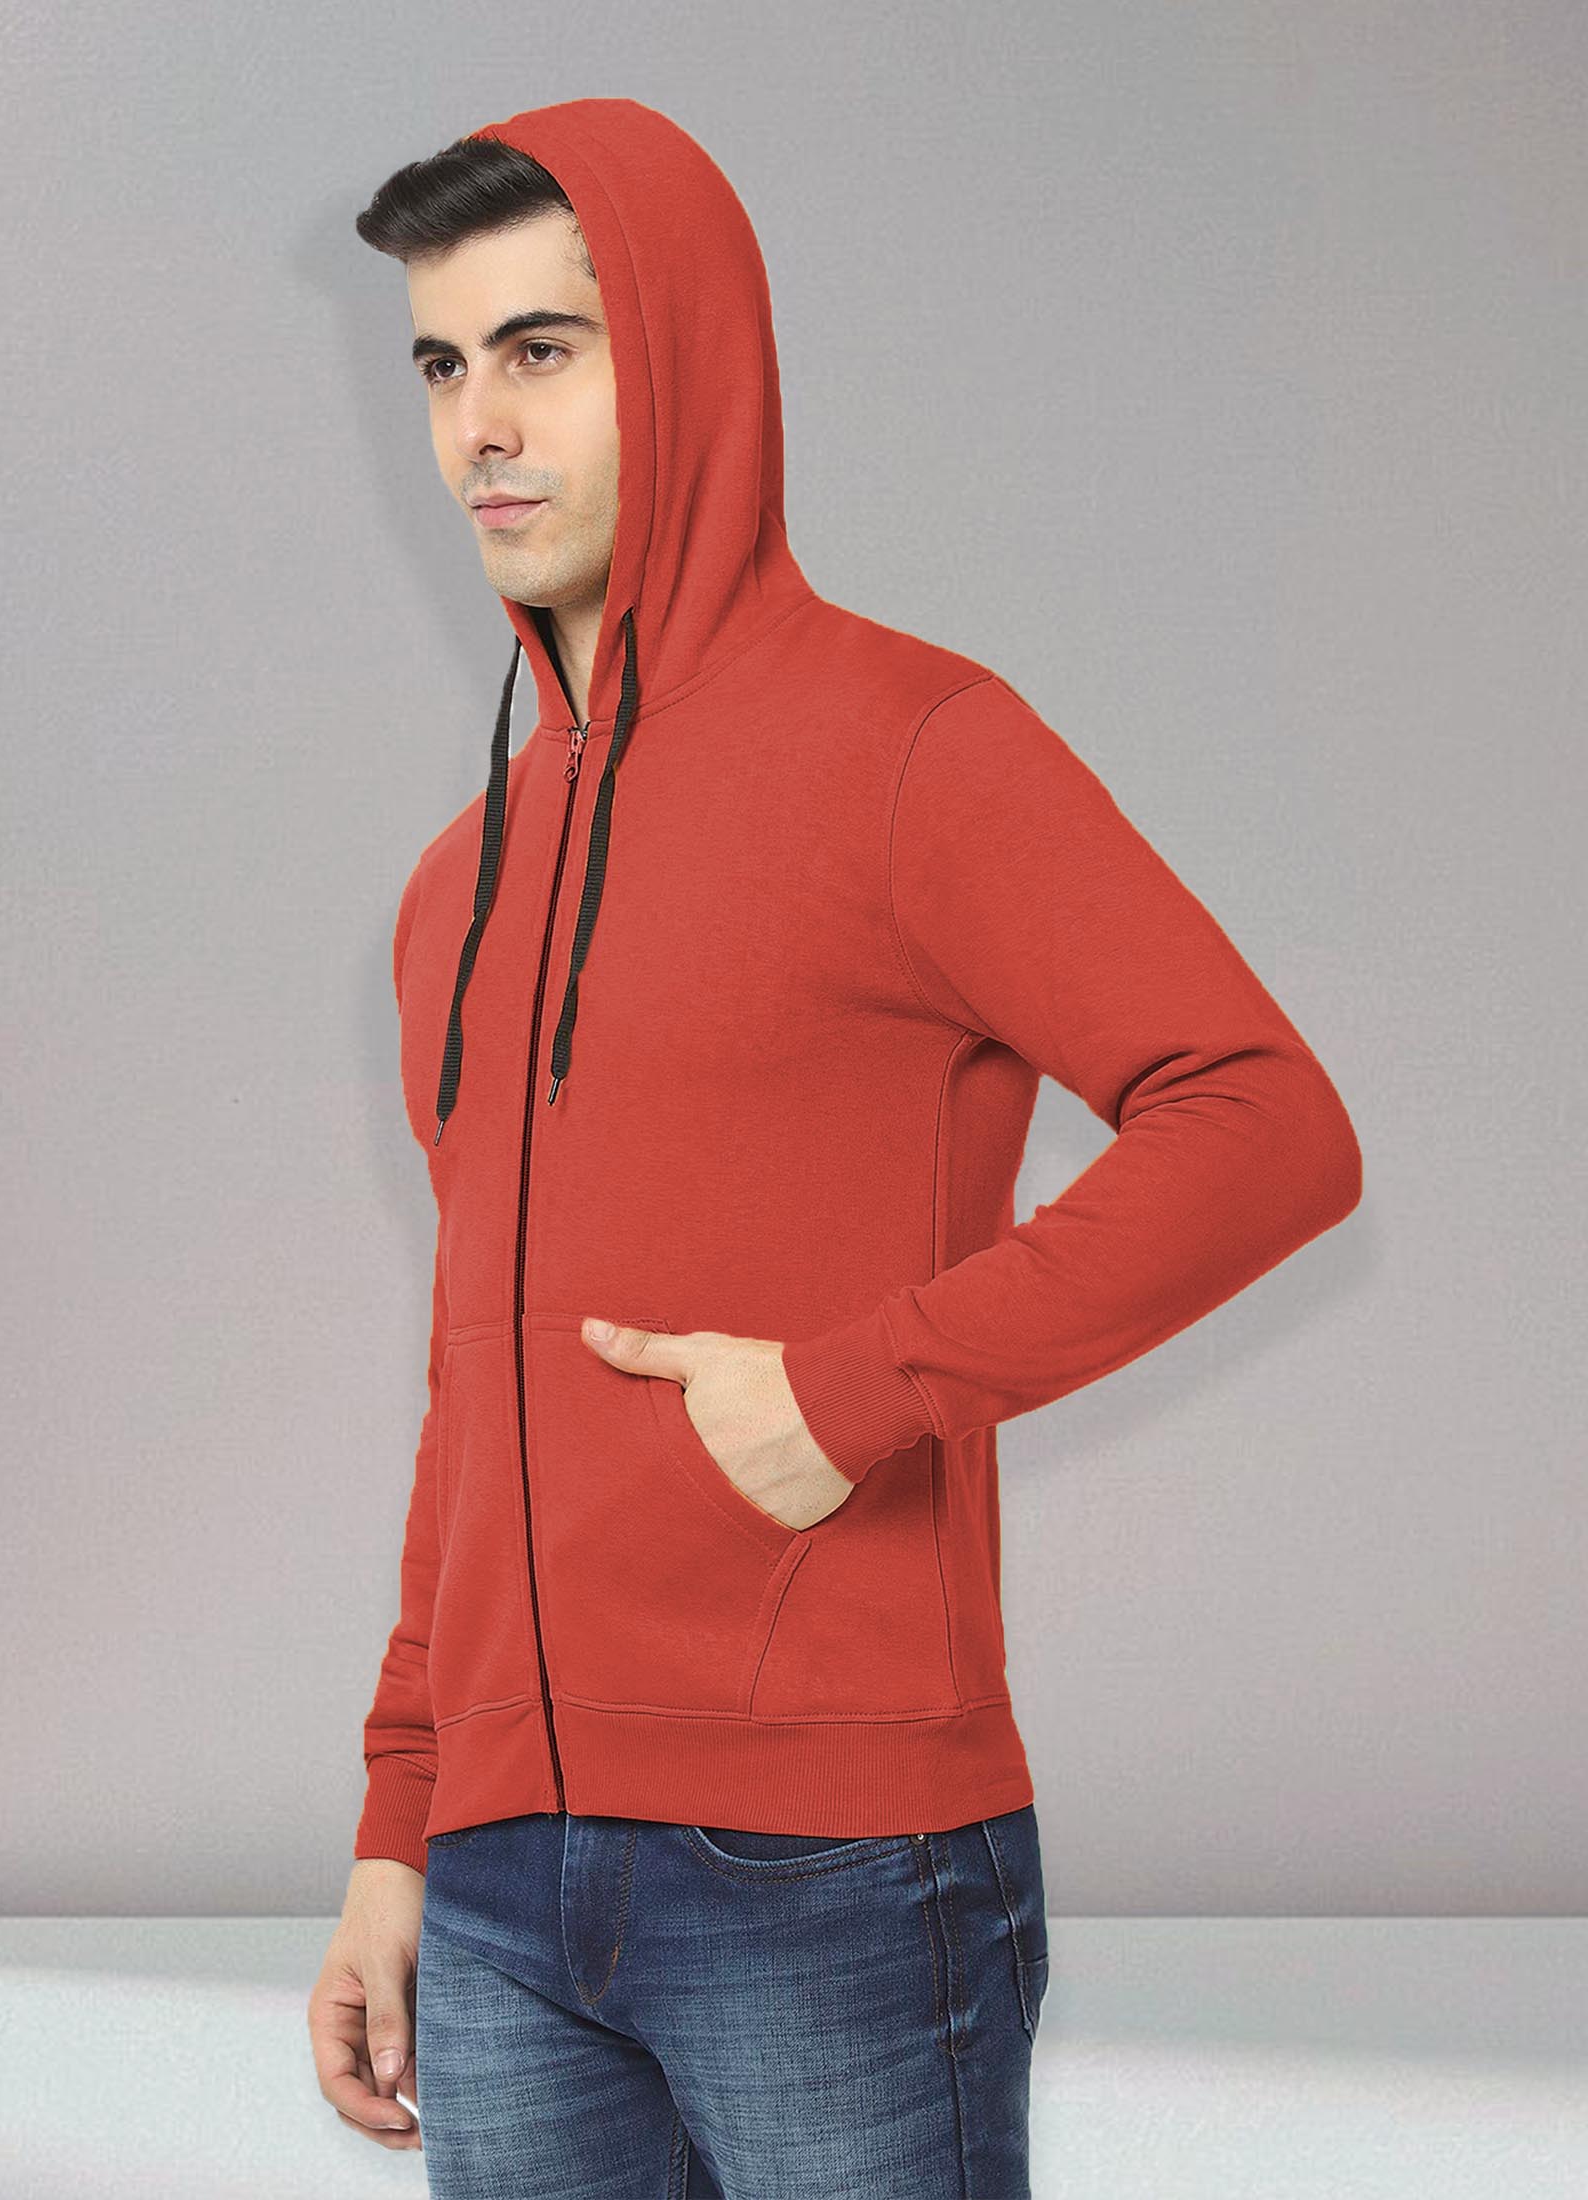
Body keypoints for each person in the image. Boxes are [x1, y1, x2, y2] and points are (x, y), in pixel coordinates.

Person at [306, 96, 1363, 2199]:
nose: (478, 428)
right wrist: (400, 1822)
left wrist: (855, 1390)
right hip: (502, 1894)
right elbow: (472, 1385)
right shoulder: (455, 891)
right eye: (440, 365)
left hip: (835, 1864)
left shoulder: (912, 750)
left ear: (687, 357)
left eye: (542, 351)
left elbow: (1264, 1121)